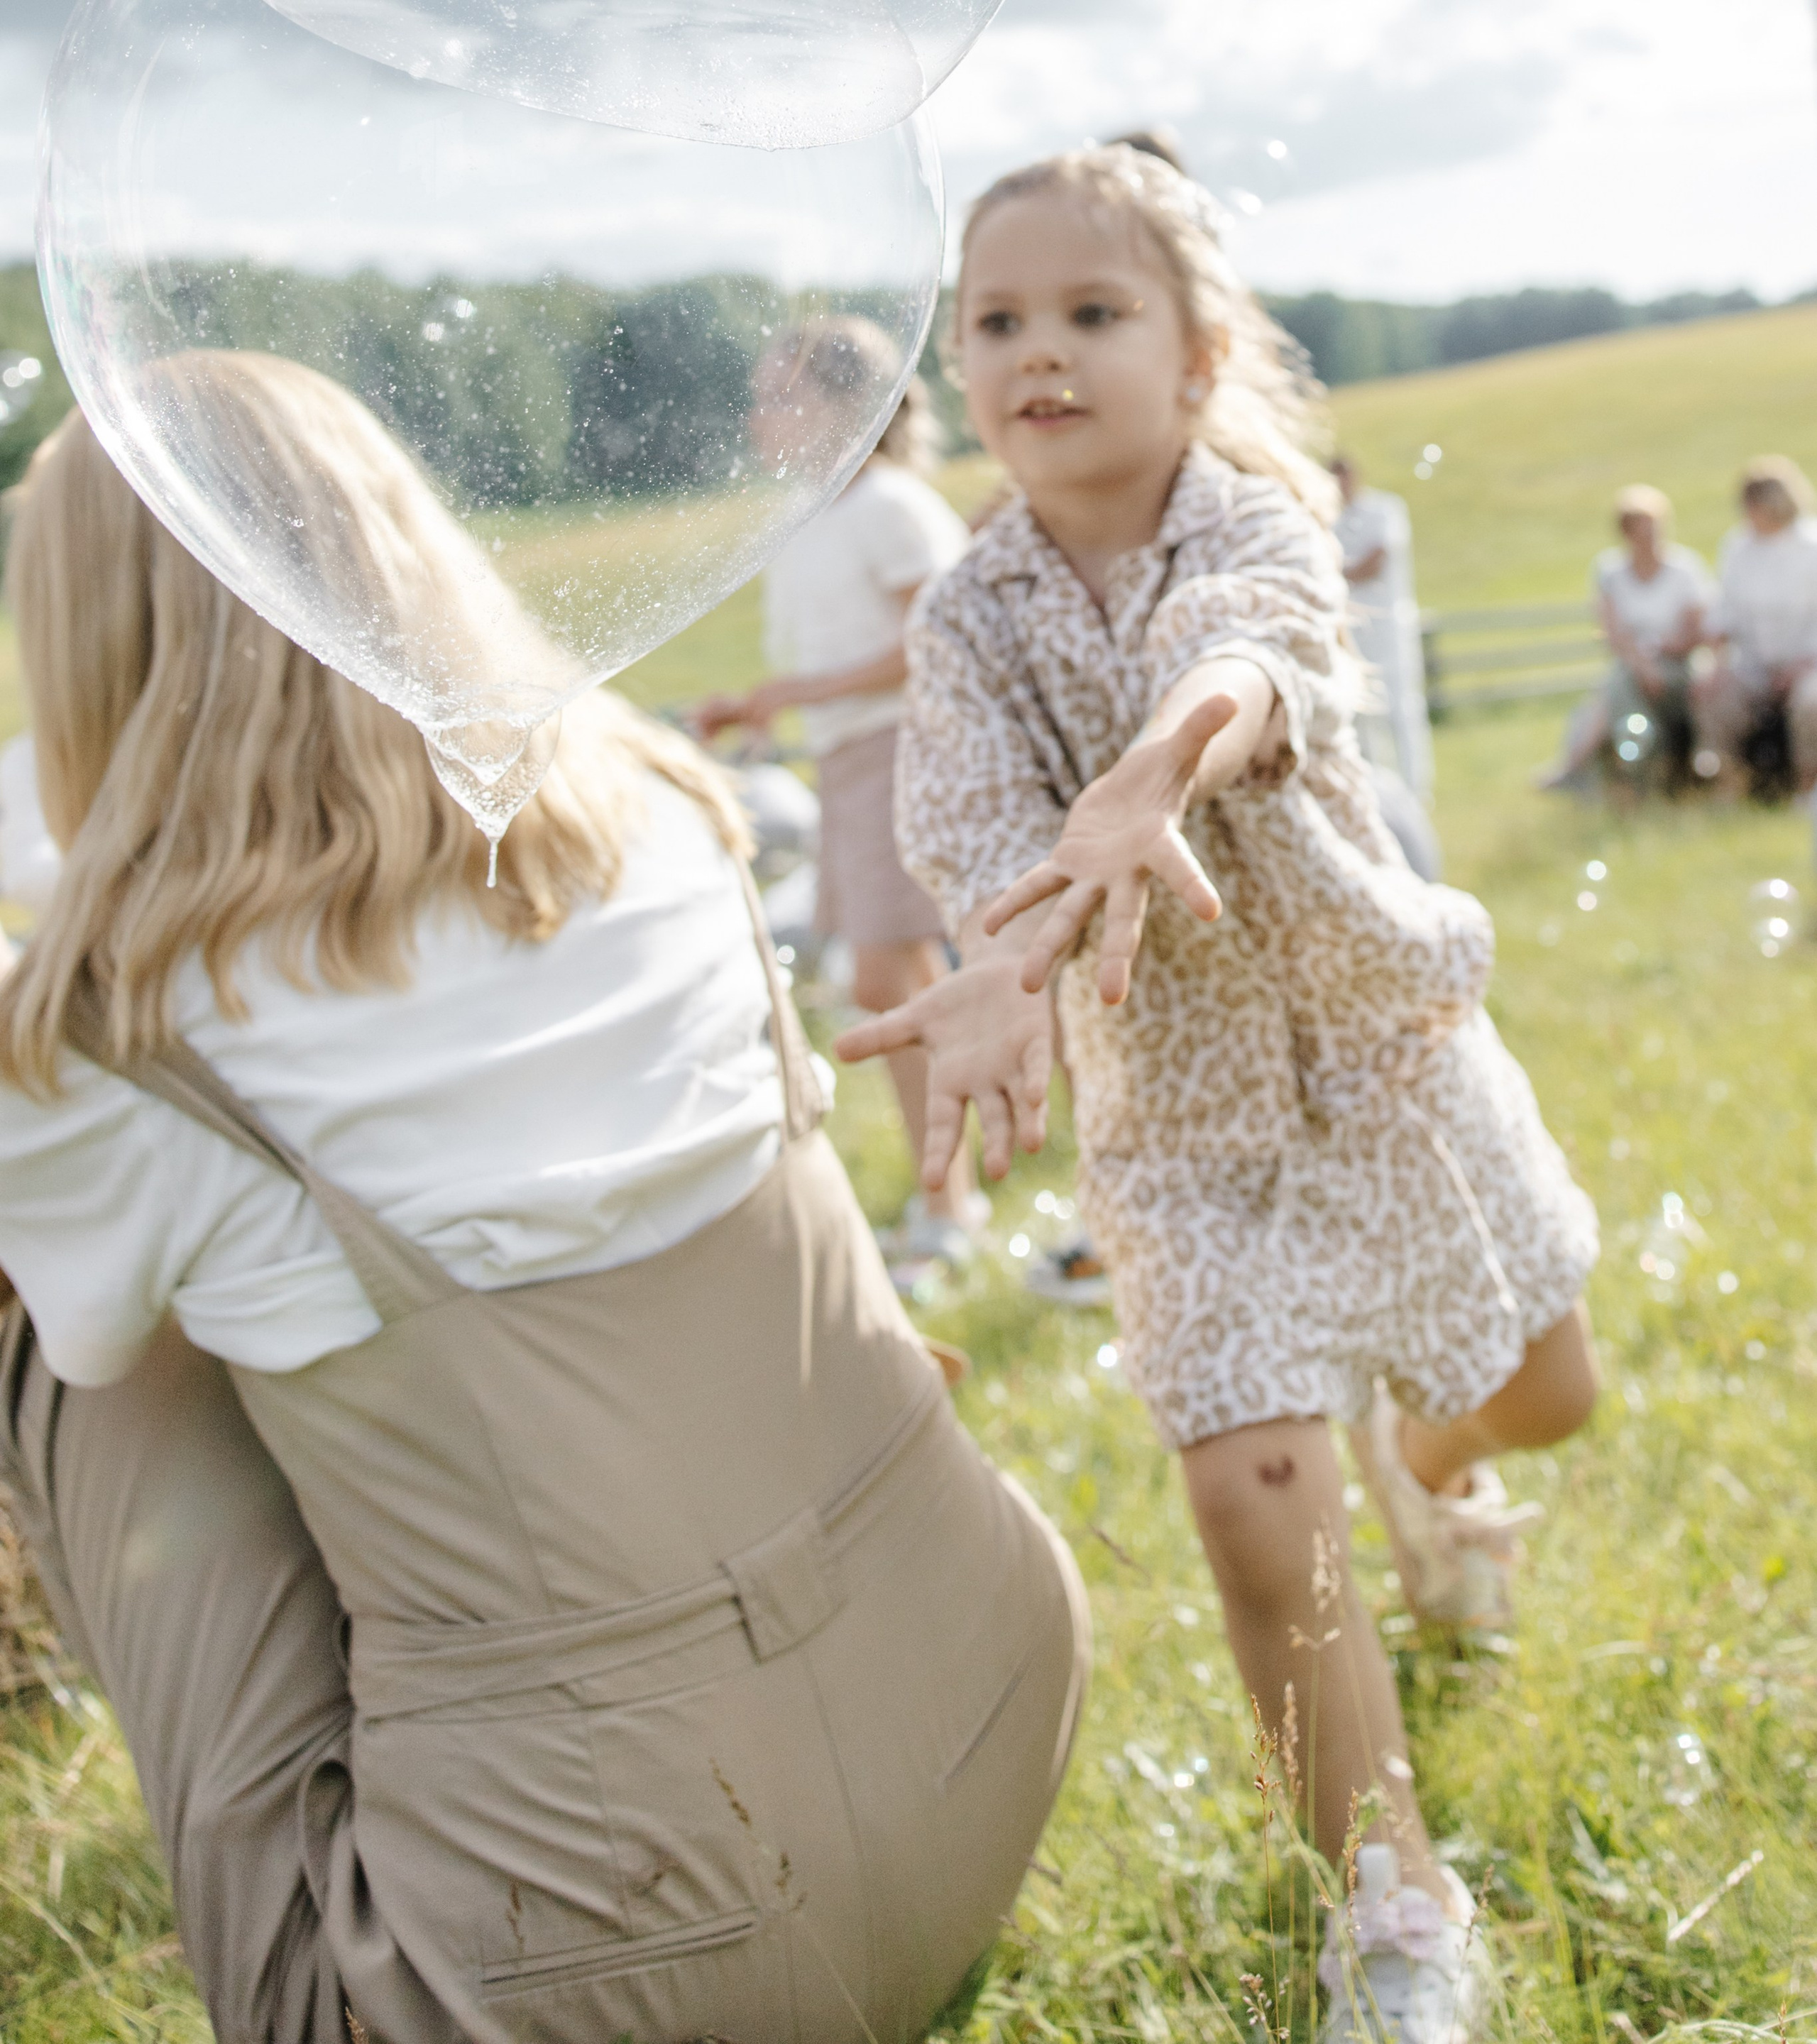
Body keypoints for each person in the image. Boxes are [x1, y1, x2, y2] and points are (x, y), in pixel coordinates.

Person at [0, 366, 1088, 2044]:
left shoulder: (107, 1040)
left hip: (594, 1961)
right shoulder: (659, 807)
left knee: (73, 1346)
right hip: (983, 1719)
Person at [840, 147, 1598, 2038]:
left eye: (1092, 312)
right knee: (1255, 1501)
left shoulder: (1255, 516)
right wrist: (1002, 966)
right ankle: (1389, 1912)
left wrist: (1153, 770)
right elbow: (969, 820)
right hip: (1178, 1130)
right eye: (997, 320)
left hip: (1382, 1063)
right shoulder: (968, 620)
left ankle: (1435, 1472)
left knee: (1544, 1391)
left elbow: (1257, 659)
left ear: (1195, 360)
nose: (1040, 350)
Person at [695, 321, 976, 1278]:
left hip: (907, 751)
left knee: (888, 980)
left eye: (784, 396)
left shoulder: (890, 506)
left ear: (852, 407)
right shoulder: (818, 517)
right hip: (856, 759)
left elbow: (935, 641)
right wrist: (768, 706)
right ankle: (952, 1193)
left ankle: (950, 1205)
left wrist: (795, 692)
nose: (760, 417)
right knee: (899, 981)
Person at [1536, 487, 1711, 793]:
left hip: (1679, 666)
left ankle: (1589, 769)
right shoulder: (1610, 572)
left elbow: (1696, 631)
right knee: (1623, 683)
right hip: (1633, 665)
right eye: (1639, 531)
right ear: (1626, 533)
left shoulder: (1685, 569)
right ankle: (1632, 770)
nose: (1648, 538)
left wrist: (1661, 652)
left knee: (1615, 690)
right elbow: (1612, 633)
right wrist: (1643, 665)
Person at [1696, 456, 1817, 798]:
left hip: (1807, 662)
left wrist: (1803, 664)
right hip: (1752, 664)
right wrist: (1714, 665)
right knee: (1713, 695)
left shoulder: (1811, 546)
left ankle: (1807, 787)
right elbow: (1723, 612)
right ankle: (1729, 785)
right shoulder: (1737, 548)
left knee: (1812, 702)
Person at [1330, 456, 1434, 804]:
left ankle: (1416, 792)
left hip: (1390, 628)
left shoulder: (1385, 509)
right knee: (1360, 716)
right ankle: (1378, 795)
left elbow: (1376, 561)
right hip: (1351, 634)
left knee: (1402, 709)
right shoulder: (1329, 519)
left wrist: (1333, 574)